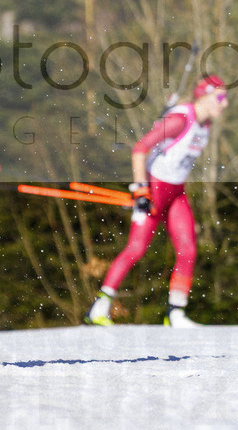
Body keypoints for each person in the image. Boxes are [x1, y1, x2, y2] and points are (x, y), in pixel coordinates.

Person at [85, 74, 227, 328]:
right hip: (154, 191)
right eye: (220, 97)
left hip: (176, 193)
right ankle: (100, 306)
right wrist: (141, 190)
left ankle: (175, 314)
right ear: (204, 97)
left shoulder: (205, 124)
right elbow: (140, 148)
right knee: (136, 249)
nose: (224, 103)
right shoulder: (179, 119)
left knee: (188, 249)